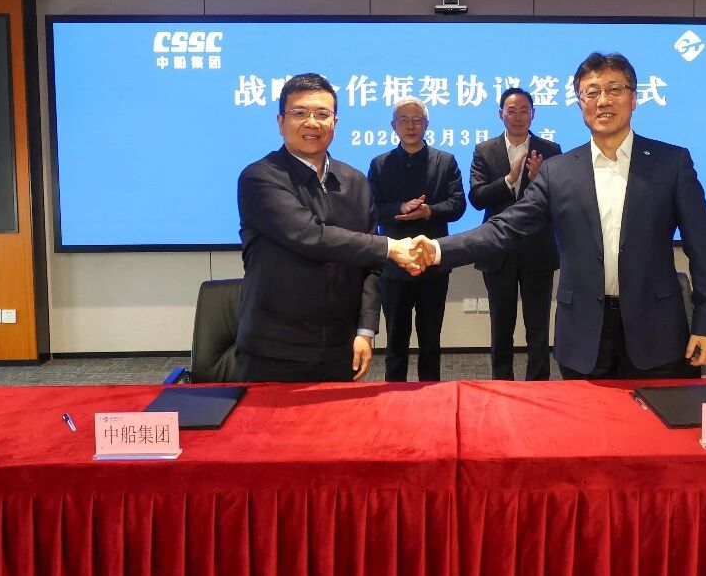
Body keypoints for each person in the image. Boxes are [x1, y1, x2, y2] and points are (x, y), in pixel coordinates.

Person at [415, 53, 706, 379]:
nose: (603, 100)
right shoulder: (558, 171)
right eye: (592, 92)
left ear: (633, 98)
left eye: (614, 89)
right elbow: (504, 228)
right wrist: (436, 249)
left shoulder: (671, 163)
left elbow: (701, 246)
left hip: (656, 331)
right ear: (580, 103)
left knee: (657, 414)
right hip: (584, 334)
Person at [233, 73, 428, 382]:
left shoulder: (355, 181)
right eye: (300, 113)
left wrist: (365, 330)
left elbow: (371, 266)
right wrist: (391, 247)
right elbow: (311, 236)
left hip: (341, 347)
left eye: (322, 114)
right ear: (281, 122)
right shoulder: (260, 177)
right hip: (274, 348)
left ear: (335, 122)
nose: (312, 123)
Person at [367, 97, 467, 381]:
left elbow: (458, 205)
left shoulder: (445, 161)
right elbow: (371, 209)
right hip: (394, 265)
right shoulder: (380, 164)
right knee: (395, 342)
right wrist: (400, 208)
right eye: (404, 120)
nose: (410, 126)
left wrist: (428, 211)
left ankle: (431, 394)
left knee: (430, 340)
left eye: (416, 120)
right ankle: (394, 394)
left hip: (433, 264)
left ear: (426, 124)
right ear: (394, 126)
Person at [469, 87, 562, 380]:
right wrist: (509, 179)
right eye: (512, 111)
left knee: (538, 326)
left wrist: (537, 181)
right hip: (499, 251)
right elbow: (477, 198)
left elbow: (560, 200)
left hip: (538, 250)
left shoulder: (551, 150)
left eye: (524, 110)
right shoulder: (485, 150)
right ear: (501, 115)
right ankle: (502, 384)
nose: (518, 117)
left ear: (533, 114)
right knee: (501, 324)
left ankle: (539, 384)